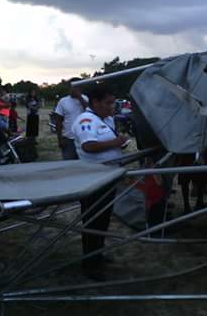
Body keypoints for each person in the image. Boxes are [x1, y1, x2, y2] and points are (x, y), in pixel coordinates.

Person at [71, 86, 128, 280]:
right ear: (95, 103)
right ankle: (90, 264)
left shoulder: (105, 119)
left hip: (108, 177)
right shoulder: (86, 120)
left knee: (103, 220)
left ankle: (98, 254)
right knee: (92, 221)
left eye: (113, 102)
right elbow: (89, 146)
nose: (112, 107)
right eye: (108, 103)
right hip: (93, 180)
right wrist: (116, 143)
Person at [54, 78, 88, 160]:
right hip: (68, 139)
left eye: (76, 87)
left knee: (85, 165)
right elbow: (58, 121)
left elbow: (90, 111)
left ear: (80, 87)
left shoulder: (85, 99)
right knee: (69, 165)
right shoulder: (63, 101)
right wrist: (60, 139)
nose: (74, 89)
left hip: (84, 138)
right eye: (72, 86)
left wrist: (79, 97)